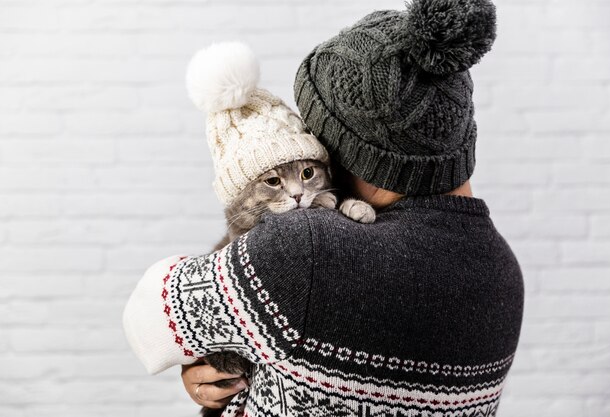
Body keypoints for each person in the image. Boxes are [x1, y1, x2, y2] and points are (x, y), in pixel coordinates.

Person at [123, 0, 524, 416]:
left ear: (354, 151)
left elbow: (148, 319)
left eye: (317, 138)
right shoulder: (504, 271)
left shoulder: (311, 248)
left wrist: (200, 359)